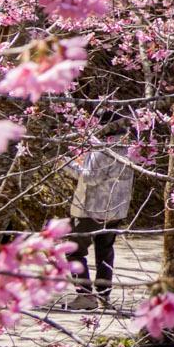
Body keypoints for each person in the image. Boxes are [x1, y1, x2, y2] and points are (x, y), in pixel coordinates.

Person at [66, 119, 134, 310]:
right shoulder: (130, 148)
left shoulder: (103, 148)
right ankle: (104, 295)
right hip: (117, 209)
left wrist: (65, 163)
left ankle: (85, 295)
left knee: (74, 250)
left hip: (92, 210)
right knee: (105, 251)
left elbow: (90, 177)